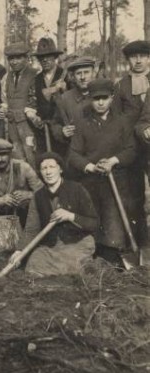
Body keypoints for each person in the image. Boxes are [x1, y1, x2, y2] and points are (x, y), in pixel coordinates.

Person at [68, 79, 137, 266]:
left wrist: (113, 161)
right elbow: (73, 155)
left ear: (112, 98)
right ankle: (94, 255)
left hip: (117, 180)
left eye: (104, 98)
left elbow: (131, 150)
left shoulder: (122, 122)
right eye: (96, 99)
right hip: (91, 181)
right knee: (92, 222)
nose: (100, 103)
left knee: (114, 223)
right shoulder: (82, 123)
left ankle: (116, 255)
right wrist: (90, 166)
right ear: (90, 99)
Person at [12, 152, 98, 277]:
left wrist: (70, 216)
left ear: (60, 169)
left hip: (77, 243)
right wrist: (19, 250)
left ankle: (78, 272)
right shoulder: (38, 196)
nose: (48, 172)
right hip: (52, 247)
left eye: (52, 167)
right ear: (40, 172)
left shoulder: (77, 189)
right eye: (44, 168)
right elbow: (31, 229)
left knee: (73, 264)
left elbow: (94, 223)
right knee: (34, 261)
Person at [114, 40, 150, 249]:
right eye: (133, 57)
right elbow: (117, 119)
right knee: (135, 197)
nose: (138, 61)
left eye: (143, 56)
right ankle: (141, 242)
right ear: (128, 60)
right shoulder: (121, 85)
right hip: (132, 149)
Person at [0, 42, 40, 167]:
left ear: (27, 58)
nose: (14, 62)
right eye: (11, 58)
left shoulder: (36, 75)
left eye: (18, 58)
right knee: (17, 156)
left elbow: (38, 100)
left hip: (29, 124)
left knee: (32, 155)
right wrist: (2, 109)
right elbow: (5, 100)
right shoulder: (7, 77)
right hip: (12, 125)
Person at [50, 56, 96, 159]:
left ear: (94, 73)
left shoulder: (103, 95)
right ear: (73, 77)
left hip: (100, 151)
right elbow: (55, 124)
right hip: (75, 154)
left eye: (86, 72)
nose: (83, 77)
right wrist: (62, 132)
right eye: (78, 73)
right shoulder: (65, 99)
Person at [32, 38, 66, 155]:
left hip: (61, 129)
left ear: (55, 57)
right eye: (41, 57)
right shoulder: (36, 79)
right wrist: (35, 117)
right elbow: (33, 103)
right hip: (42, 129)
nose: (45, 60)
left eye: (48, 56)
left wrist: (65, 89)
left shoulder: (64, 75)